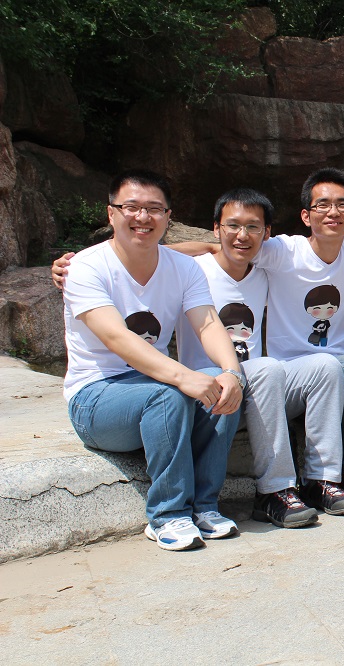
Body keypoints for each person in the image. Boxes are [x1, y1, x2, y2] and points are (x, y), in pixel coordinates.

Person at [61, 170, 243, 551]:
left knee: (220, 383)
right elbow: (116, 337)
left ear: (168, 217)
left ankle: (204, 507)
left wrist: (231, 372)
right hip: (95, 396)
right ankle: (167, 514)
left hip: (153, 383)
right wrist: (181, 376)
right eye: (131, 207)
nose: (142, 217)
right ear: (111, 213)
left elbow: (208, 323)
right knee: (170, 393)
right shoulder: (86, 268)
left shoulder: (184, 268)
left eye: (154, 209)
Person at [174, 189, 344, 526]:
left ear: (267, 233)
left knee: (325, 365)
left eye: (253, 227)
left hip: (256, 388)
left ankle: (321, 480)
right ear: (216, 228)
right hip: (209, 386)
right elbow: (146, 255)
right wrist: (75, 262)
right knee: (267, 368)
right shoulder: (191, 271)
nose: (243, 235)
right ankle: (274, 491)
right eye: (233, 226)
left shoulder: (264, 272)